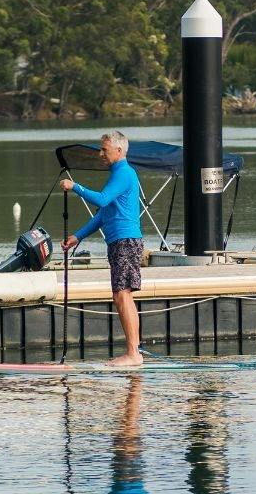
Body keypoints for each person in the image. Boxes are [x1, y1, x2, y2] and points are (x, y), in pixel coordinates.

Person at [61, 129, 145, 367]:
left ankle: (133, 354)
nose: (100, 154)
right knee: (121, 295)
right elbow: (103, 214)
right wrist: (78, 236)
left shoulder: (125, 173)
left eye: (104, 150)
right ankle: (134, 351)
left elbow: (101, 199)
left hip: (126, 241)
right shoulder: (117, 175)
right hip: (119, 242)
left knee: (122, 294)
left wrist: (75, 187)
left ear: (119, 151)